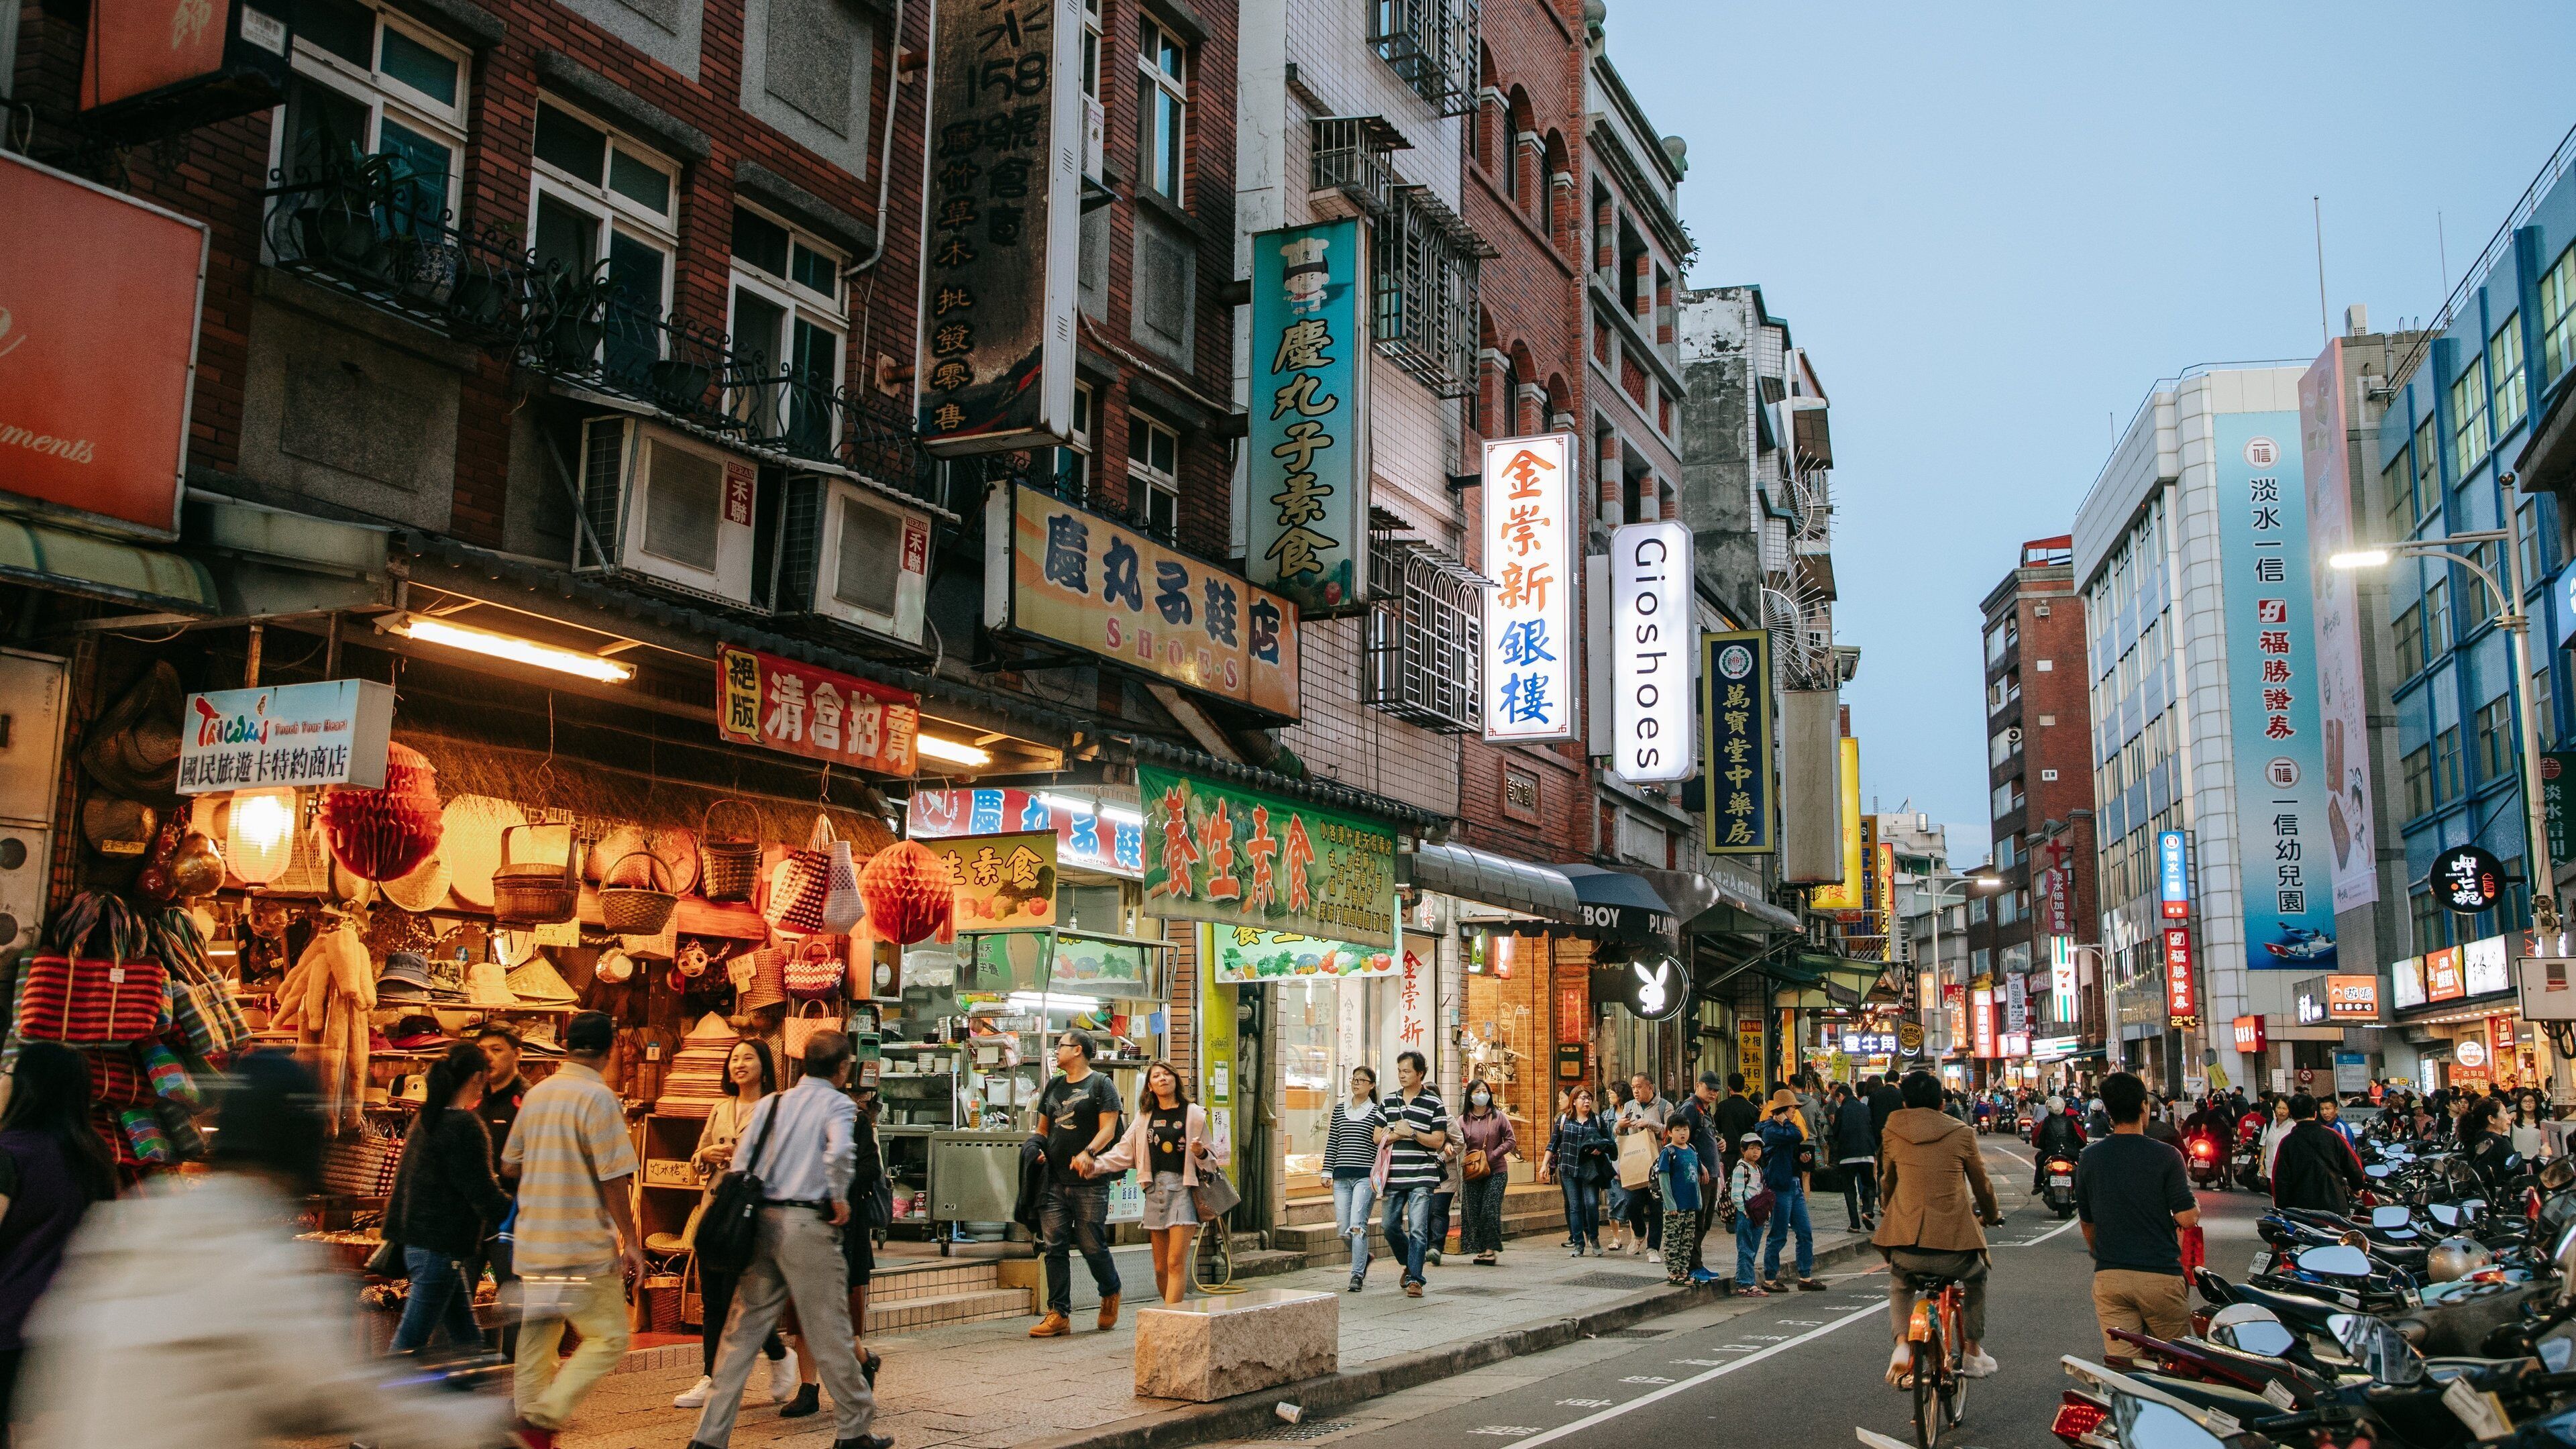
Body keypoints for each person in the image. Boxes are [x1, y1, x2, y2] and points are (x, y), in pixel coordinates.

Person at [18, 1050, 497, 1449]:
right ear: (301, 1153)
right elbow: (348, 1397)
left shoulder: (139, 1225)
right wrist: (479, 1425)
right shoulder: (260, 1262)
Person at [683, 1031, 884, 1449]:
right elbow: (840, 1154)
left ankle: (708, 1438)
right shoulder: (837, 1105)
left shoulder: (772, 1103)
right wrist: (838, 1196)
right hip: (806, 1225)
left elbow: (742, 1160)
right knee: (830, 1329)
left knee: (741, 1336)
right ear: (842, 1068)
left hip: (762, 1224)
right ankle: (854, 1431)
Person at [498, 1009, 644, 1449]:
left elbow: (510, 1164)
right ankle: (541, 1419)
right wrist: (631, 1242)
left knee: (539, 1337)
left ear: (565, 1046)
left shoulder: (538, 1094)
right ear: (610, 1049)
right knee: (610, 1337)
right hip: (580, 1244)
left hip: (534, 1242)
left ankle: (528, 1430)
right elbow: (614, 1177)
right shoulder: (598, 1098)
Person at [674, 1039, 795, 1411]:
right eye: (734, 1059)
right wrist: (705, 1154)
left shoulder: (775, 1107)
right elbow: (697, 1159)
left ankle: (775, 1355)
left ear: (764, 1066)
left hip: (753, 1213)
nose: (739, 1064)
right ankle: (711, 1377)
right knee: (713, 1299)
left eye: (748, 1058)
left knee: (740, 1299)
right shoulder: (720, 1108)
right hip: (718, 1211)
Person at [0, 1041, 117, 1426]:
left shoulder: (10, 1153)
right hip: (66, 1331)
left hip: (8, 1327)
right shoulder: (94, 1154)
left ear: (28, 1086)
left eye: (9, 1074)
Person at [382, 1042, 512, 1356]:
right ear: (477, 1078)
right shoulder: (464, 1125)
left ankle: (472, 1383)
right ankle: (383, 1386)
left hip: (422, 1245)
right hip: (440, 1248)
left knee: (466, 1339)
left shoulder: (428, 1120)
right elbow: (481, 1191)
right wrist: (522, 1215)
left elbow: (404, 1185)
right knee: (408, 1343)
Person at [1874, 1071, 2002, 1384]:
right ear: (1942, 1104)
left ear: (1905, 1103)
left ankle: (1902, 1345)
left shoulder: (1893, 1128)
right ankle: (1972, 1352)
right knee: (1976, 1277)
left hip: (1907, 1243)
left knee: (1901, 1283)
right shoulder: (1962, 1133)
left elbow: (1888, 1180)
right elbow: (1982, 1185)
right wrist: (1991, 1215)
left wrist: (1890, 1210)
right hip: (1954, 1248)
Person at [2074, 1071, 2200, 1365]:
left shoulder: (2090, 1157)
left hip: (2111, 1277)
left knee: (2124, 1367)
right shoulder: (2167, 1156)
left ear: (2108, 1110)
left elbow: (2087, 1222)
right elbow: (2186, 1218)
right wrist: (2194, 1208)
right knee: (2177, 1364)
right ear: (2144, 1107)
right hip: (2160, 1275)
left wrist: (2101, 1253)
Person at [1089, 1059, 1227, 1304]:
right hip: (1154, 1191)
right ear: (1150, 1087)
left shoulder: (1193, 1114)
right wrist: (1096, 1165)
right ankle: (1171, 1315)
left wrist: (1200, 1153)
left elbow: (1212, 1159)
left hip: (1183, 1191)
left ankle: (1171, 1317)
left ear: (1176, 1080)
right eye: (1156, 1076)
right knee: (1161, 1268)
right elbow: (1124, 1151)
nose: (1162, 1078)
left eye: (1167, 1074)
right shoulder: (1144, 1117)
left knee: (1175, 1262)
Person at [1028, 1029, 1124, 1336]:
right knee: (1054, 1245)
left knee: (1090, 1243)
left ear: (1078, 1050)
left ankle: (1110, 1290)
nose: (1057, 1051)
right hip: (1053, 1179)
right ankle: (1058, 1313)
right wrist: (1035, 1149)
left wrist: (1089, 1153)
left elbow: (1108, 1130)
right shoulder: (1054, 1085)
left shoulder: (1101, 1084)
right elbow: (1043, 1129)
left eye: (1061, 1046)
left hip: (1089, 1180)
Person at [470, 1022, 531, 1358]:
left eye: (497, 1050)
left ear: (518, 1054)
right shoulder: (472, 1097)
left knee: (514, 1297)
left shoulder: (529, 1100)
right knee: (457, 1294)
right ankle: (461, 1366)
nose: (489, 1058)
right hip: (471, 1216)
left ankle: (512, 1368)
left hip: (513, 1217)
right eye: (483, 1051)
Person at [1377, 1050, 1448, 1298]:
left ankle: (1416, 1279)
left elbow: (1438, 1141)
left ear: (1420, 1073)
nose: (1402, 1075)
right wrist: (1398, 1134)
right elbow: (1376, 1137)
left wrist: (1413, 1133)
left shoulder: (1434, 1103)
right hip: (1394, 1174)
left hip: (1422, 1174)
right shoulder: (1388, 1101)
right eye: (1399, 1071)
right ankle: (1409, 1263)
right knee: (1389, 1226)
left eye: (1407, 1071)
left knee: (1418, 1228)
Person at [1756, 1089, 1823, 1292]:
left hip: (1794, 1184)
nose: (1795, 1111)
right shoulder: (1770, 1129)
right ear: (1783, 1110)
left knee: (1805, 1231)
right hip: (1779, 1186)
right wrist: (1785, 1122)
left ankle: (1805, 1275)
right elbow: (1797, 1134)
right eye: (1792, 1108)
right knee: (1779, 1233)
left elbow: (1791, 1146)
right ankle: (1769, 1278)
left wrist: (1799, 1158)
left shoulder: (1784, 1129)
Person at [1325, 1067, 1383, 1291]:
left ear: (1372, 1085)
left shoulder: (1377, 1112)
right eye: (1354, 1079)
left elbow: (1379, 1147)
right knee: (1343, 1229)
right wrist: (1326, 1171)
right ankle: (1364, 1257)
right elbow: (1333, 1142)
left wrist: (1379, 1177)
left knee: (1357, 1226)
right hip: (1341, 1177)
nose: (1356, 1083)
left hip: (1364, 1178)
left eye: (1362, 1080)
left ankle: (1357, 1275)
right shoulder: (1340, 1110)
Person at [1667, 1074, 1724, 1281]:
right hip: (1698, 1176)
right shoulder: (1690, 1108)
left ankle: (1696, 1264)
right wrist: (1699, 1165)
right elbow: (1681, 1141)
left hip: (1711, 1174)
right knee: (1697, 1222)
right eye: (1710, 1089)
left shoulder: (1705, 1110)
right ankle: (1692, 1266)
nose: (1713, 1093)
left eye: (1716, 1090)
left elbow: (1702, 1137)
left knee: (1705, 1221)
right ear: (1698, 1085)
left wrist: (1719, 1142)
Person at [1545, 1085, 1613, 1256]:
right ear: (1574, 1101)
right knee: (1575, 1207)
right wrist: (1544, 1165)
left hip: (1590, 1170)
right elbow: (1553, 1143)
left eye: (1589, 1098)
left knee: (1591, 1204)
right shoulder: (1564, 1120)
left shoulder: (1597, 1120)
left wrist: (1601, 1148)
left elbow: (1608, 1141)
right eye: (1583, 1098)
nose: (1587, 1101)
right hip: (1568, 1169)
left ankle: (1594, 1237)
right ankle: (1578, 1243)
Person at [1454, 1079, 1517, 1265]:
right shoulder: (1463, 1120)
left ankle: (1490, 1251)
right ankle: (1482, 1250)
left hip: (1497, 1171)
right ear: (1470, 1097)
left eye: (1485, 1091)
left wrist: (1493, 1154)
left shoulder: (1499, 1117)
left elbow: (1511, 1140)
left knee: (1490, 1210)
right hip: (1473, 1172)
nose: (1482, 1094)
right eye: (1477, 1091)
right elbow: (1456, 1142)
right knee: (1473, 1212)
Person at [2269, 1093, 2365, 1214]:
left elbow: (2280, 1180)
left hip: (2300, 1210)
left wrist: (2282, 1208)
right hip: (2335, 1207)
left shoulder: (2287, 1142)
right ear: (2315, 1113)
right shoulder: (2334, 1136)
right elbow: (2354, 1167)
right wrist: (2356, 1187)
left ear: (2292, 1116)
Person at [1616, 1074, 1670, 1262]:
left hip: (1657, 1164)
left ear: (1650, 1087)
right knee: (1631, 1203)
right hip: (1635, 1163)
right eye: (1633, 1087)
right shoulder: (1629, 1106)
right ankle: (1639, 1233)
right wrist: (1619, 1126)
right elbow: (1619, 1133)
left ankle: (1653, 1248)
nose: (1636, 1091)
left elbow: (1672, 1130)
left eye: (1639, 1087)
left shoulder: (1664, 1106)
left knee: (1656, 1207)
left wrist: (1650, 1124)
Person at [1652, 1122, 1702, 1287]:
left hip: (1690, 1204)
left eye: (1685, 1129)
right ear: (1670, 1132)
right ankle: (1673, 1274)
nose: (1682, 1133)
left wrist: (1698, 1201)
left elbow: (1696, 1177)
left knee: (1687, 1240)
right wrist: (1670, 1204)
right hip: (1675, 1206)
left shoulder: (1692, 1150)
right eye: (1678, 1130)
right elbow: (1664, 1179)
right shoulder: (1668, 1152)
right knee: (1673, 1239)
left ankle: (1683, 1272)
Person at [1830, 1082, 1880, 1232]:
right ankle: (1867, 1210)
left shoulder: (1841, 1111)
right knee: (1869, 1184)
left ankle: (1855, 1225)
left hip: (1847, 1156)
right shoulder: (1865, 1108)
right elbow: (1873, 1127)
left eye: (1838, 1098)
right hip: (1866, 1154)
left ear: (1841, 1096)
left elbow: (1836, 1133)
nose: (1838, 1101)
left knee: (1850, 1190)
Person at [1728, 1134, 1769, 1295]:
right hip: (1746, 1215)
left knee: (1752, 1249)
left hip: (1758, 1215)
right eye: (1751, 1148)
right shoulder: (1741, 1168)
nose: (1755, 1152)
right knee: (1745, 1248)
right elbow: (1736, 1194)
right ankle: (1746, 1284)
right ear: (1743, 1150)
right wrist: (1744, 1211)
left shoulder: (1758, 1169)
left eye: (1758, 1149)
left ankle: (1744, 1280)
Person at [2032, 1094, 2085, 1193]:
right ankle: (2083, 1187)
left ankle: (2038, 1184)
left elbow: (2040, 1140)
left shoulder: (2045, 1122)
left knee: (2039, 1160)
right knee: (2081, 1165)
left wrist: (2043, 1147)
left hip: (2051, 1152)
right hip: (2070, 1152)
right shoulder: (2070, 1121)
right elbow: (2080, 1139)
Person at [1714, 1073, 1761, 1175]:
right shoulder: (1752, 1108)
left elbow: (1717, 1128)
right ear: (1744, 1087)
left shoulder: (1723, 1106)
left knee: (1729, 1180)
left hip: (1728, 1153)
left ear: (1729, 1088)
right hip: (1747, 1153)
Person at [2258, 1095, 2294, 1185]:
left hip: (2287, 1171)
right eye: (2279, 1108)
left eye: (2285, 1109)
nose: (2281, 1111)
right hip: (2271, 1169)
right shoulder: (2270, 1123)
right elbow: (2264, 1144)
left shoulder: (2293, 1126)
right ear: (2274, 1109)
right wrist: (2261, 1164)